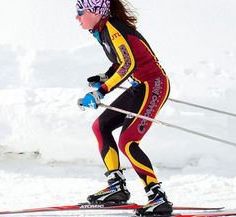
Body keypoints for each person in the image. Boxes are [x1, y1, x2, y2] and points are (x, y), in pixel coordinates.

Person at [76, 0, 172, 216]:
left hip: (153, 85)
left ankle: (158, 198)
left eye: (80, 12)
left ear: (95, 12)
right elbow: (122, 62)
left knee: (128, 142)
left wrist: (102, 91)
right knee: (100, 126)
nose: (77, 17)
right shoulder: (103, 30)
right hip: (140, 86)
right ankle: (116, 187)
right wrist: (104, 77)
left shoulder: (113, 28)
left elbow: (128, 65)